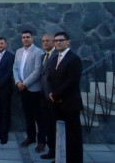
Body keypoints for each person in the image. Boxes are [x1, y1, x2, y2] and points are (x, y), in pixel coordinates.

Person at [48, 31, 83, 163]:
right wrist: (52, 94)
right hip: (57, 103)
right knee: (60, 133)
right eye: (56, 40)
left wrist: (55, 94)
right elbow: (52, 78)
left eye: (61, 40)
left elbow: (72, 80)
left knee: (73, 135)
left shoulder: (74, 59)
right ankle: (60, 158)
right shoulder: (55, 57)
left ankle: (74, 160)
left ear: (68, 42)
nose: (58, 42)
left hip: (70, 103)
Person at [13, 30, 46, 152]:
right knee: (28, 115)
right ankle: (31, 137)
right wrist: (17, 82)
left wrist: (25, 83)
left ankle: (42, 141)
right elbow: (15, 68)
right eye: (23, 37)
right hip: (22, 89)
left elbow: (38, 71)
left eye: (27, 37)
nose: (25, 39)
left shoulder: (38, 52)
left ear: (32, 38)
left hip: (34, 89)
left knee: (39, 116)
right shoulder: (18, 51)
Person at [39, 34, 58, 160]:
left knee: (54, 125)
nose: (45, 43)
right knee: (48, 125)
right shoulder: (43, 56)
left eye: (48, 41)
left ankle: (55, 150)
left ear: (53, 42)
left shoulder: (57, 56)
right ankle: (51, 149)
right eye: (43, 41)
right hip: (43, 96)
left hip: (54, 97)